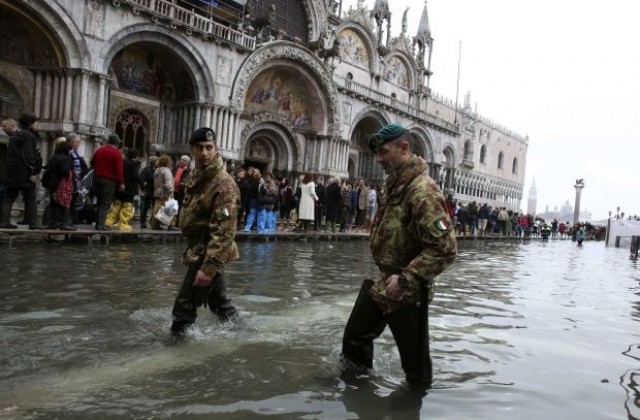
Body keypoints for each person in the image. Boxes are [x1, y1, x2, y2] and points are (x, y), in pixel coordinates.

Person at [341, 123, 457, 388]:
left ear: (404, 149)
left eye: (384, 152)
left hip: (407, 289)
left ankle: (411, 407)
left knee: (416, 371)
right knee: (354, 340)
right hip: (384, 282)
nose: (378, 159)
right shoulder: (395, 186)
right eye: (377, 154)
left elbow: (445, 248)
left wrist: (408, 278)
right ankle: (357, 395)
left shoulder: (422, 190)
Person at [170, 127, 242, 336]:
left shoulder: (224, 184)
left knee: (183, 308)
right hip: (198, 247)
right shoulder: (198, 176)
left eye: (209, 147)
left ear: (216, 148)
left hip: (207, 251)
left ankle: (174, 353)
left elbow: (224, 231)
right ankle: (244, 336)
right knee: (219, 302)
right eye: (199, 148)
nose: (204, 152)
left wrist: (208, 268)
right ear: (192, 149)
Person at [0, 113, 44, 229]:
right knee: (30, 196)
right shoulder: (28, 136)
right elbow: (29, 155)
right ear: (31, 122)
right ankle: (32, 222)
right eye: (35, 122)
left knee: (9, 197)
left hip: (12, 171)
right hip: (24, 172)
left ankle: (4, 221)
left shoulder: (15, 135)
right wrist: (32, 172)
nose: (36, 124)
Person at [91, 133, 124, 230]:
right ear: (117, 143)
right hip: (109, 180)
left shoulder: (99, 150)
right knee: (105, 203)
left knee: (99, 201)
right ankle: (100, 225)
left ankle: (98, 223)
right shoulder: (116, 153)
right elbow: (119, 170)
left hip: (97, 178)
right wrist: (121, 182)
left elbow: (92, 163)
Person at [105, 149, 140, 231]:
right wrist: (141, 180)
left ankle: (109, 221)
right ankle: (123, 223)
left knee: (117, 205)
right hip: (129, 188)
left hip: (119, 187)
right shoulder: (134, 164)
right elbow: (134, 176)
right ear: (135, 156)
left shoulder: (122, 162)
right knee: (127, 207)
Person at [43, 141, 76, 231]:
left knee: (53, 203)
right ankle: (64, 224)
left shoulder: (54, 157)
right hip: (61, 184)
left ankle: (51, 222)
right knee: (65, 203)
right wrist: (72, 173)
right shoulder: (64, 159)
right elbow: (65, 171)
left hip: (52, 183)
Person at [149, 154, 175, 230]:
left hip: (157, 192)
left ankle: (154, 224)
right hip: (165, 193)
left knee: (157, 209)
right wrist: (171, 191)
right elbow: (167, 183)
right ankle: (170, 225)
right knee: (170, 208)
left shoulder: (157, 170)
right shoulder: (166, 171)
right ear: (167, 162)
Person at [138, 156, 157, 229]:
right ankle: (143, 222)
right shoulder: (146, 170)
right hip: (148, 191)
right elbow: (141, 179)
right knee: (145, 208)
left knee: (155, 208)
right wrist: (143, 189)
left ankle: (153, 222)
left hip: (155, 192)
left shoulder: (158, 169)